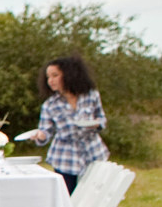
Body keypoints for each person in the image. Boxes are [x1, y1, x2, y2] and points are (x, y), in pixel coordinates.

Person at [32, 54, 108, 193]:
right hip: (65, 156)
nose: (51, 80)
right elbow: (45, 131)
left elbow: (101, 119)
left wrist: (95, 124)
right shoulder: (50, 105)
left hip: (93, 151)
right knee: (69, 197)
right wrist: (40, 135)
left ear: (68, 75)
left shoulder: (91, 95)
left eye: (55, 75)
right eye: (48, 77)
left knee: (95, 195)